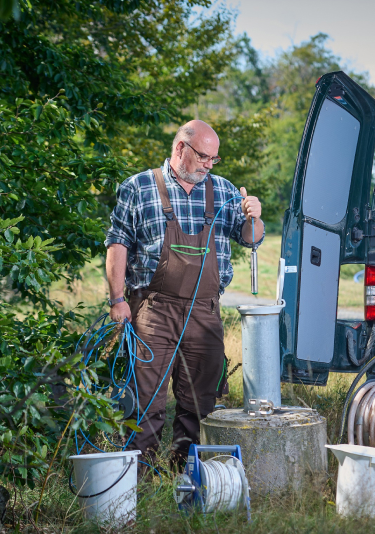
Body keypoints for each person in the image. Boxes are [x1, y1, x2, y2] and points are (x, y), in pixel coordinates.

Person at [104, 120, 264, 469]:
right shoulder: (139, 186)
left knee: (199, 401)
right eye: (204, 156)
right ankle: (135, 478)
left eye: (214, 159)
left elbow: (251, 238)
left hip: (204, 312)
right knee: (145, 399)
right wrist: (118, 300)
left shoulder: (222, 191)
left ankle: (186, 474)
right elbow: (118, 243)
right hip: (153, 311)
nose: (209, 164)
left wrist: (255, 216)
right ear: (180, 149)